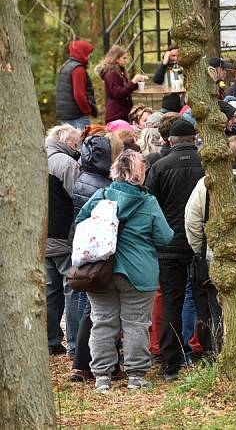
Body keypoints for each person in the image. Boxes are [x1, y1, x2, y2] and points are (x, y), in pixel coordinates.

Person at [75, 150, 174, 392]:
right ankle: (136, 376)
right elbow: (165, 237)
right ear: (138, 173)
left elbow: (80, 223)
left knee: (102, 323)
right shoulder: (148, 202)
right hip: (138, 272)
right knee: (136, 324)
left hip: (99, 270)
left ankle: (102, 377)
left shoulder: (101, 196)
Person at [185, 136, 236, 337]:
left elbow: (191, 221)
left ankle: (223, 357)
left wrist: (203, 250)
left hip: (218, 261)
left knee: (220, 316)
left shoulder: (206, 184)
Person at [144, 119, 206, 381]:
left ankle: (171, 364)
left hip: (169, 245)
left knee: (172, 302)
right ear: (195, 139)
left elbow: (150, 207)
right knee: (206, 302)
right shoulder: (207, 165)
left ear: (171, 140)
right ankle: (207, 353)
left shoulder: (159, 167)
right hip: (202, 243)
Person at [69, 132, 123, 382]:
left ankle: (83, 363)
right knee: (98, 313)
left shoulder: (83, 178)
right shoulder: (103, 188)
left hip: (86, 249)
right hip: (99, 251)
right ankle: (91, 364)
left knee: (91, 311)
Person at [45, 125, 82, 356]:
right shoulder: (67, 164)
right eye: (76, 144)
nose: (77, 147)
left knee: (50, 290)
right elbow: (78, 198)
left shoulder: (35, 158)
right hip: (63, 237)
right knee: (72, 290)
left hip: (42, 237)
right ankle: (75, 346)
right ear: (68, 142)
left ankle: (49, 341)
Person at [55, 40, 97, 130]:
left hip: (66, 114)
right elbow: (79, 94)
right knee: (83, 142)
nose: (90, 56)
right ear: (82, 53)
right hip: (77, 116)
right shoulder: (78, 69)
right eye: (88, 53)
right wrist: (87, 110)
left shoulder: (66, 65)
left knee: (69, 143)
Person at [98, 46, 147, 123]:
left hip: (122, 114)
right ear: (116, 58)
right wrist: (133, 81)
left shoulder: (119, 71)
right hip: (116, 115)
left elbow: (126, 88)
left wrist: (137, 82)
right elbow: (118, 93)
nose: (126, 61)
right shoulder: (111, 74)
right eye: (124, 58)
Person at [152, 45, 184, 112]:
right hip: (169, 105)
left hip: (185, 103)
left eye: (178, 55)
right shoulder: (164, 68)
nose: (176, 58)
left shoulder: (184, 66)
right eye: (173, 56)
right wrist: (164, 62)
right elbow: (157, 80)